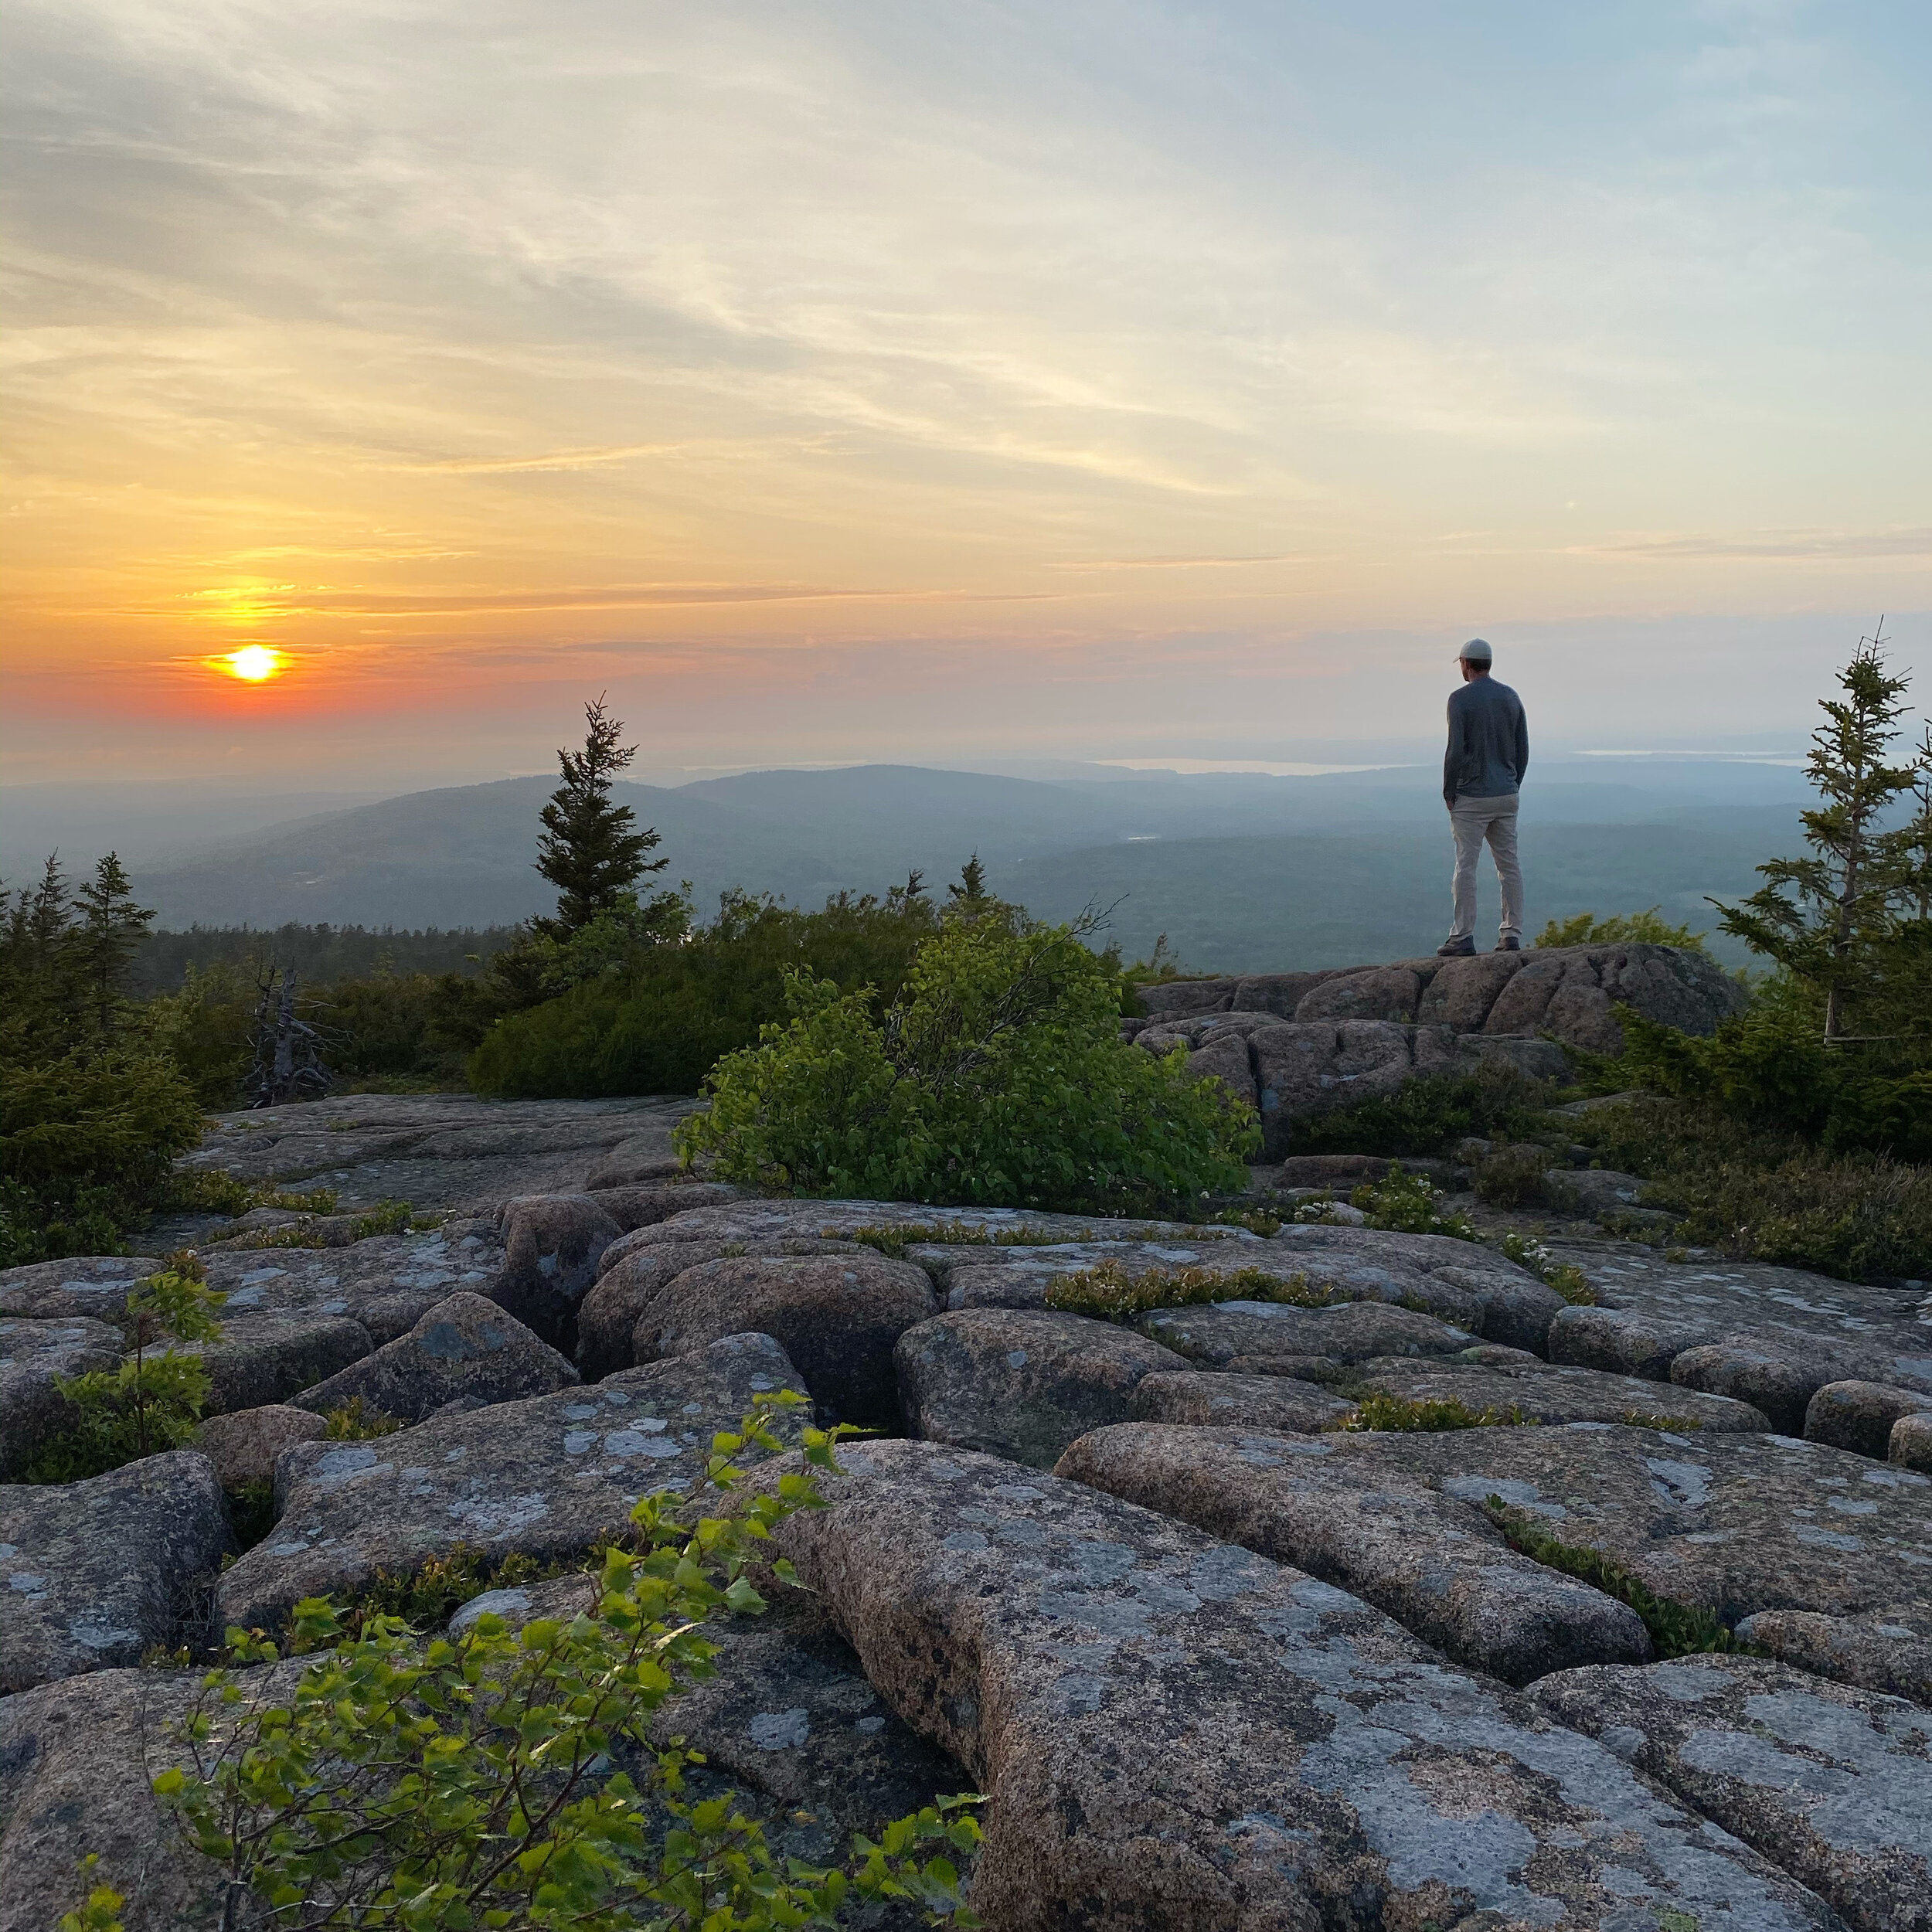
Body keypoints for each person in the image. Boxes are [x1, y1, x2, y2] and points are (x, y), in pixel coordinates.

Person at [1437, 638, 1528, 956]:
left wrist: (1449, 790)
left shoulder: (1459, 700)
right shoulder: (1510, 696)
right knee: (1509, 865)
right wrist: (1513, 783)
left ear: (1465, 663)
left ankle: (1462, 937)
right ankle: (1511, 934)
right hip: (1506, 793)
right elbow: (1522, 749)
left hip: (1471, 796)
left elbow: (1456, 749)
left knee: (1466, 865)